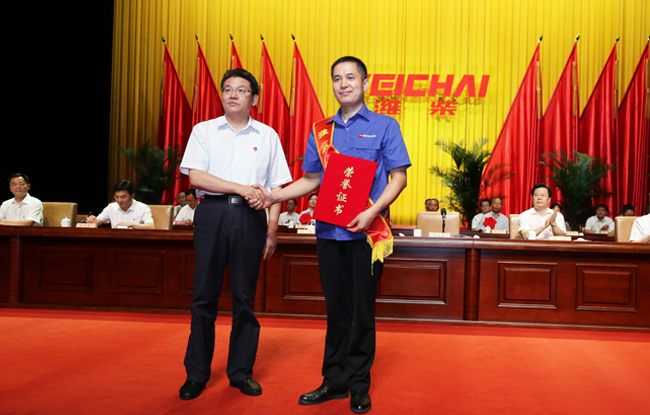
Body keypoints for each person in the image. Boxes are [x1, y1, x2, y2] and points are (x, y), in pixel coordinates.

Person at [249, 56, 410, 414]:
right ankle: (334, 381)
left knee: (362, 312)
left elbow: (399, 177)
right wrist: (273, 196)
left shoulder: (385, 126)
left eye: (350, 77)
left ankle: (359, 385)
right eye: (337, 78)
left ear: (365, 83)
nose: (343, 84)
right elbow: (311, 180)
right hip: (328, 233)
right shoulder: (322, 131)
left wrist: (371, 212)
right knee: (336, 310)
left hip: (367, 236)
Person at [177, 68, 292, 401]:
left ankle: (241, 372)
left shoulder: (267, 135)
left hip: (251, 218)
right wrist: (241, 188)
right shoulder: (204, 130)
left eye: (241, 90)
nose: (233, 94)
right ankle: (196, 373)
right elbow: (197, 178)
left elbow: (276, 188)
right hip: (212, 213)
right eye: (228, 89)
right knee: (204, 296)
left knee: (244, 299)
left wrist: (272, 229)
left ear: (254, 99)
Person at [86, 179, 155, 229]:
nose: (119, 200)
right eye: (117, 197)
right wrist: (92, 221)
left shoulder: (143, 208)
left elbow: (151, 226)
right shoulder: (111, 207)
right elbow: (97, 222)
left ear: (132, 196)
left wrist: (130, 225)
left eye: (123, 197)